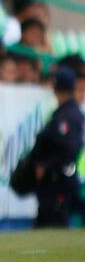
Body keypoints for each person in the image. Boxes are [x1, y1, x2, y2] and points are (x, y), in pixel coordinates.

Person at [28, 68, 84, 228]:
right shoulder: (67, 113)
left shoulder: (66, 115)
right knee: (48, 220)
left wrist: (47, 166)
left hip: (58, 178)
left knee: (54, 220)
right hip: (59, 177)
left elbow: (69, 147)